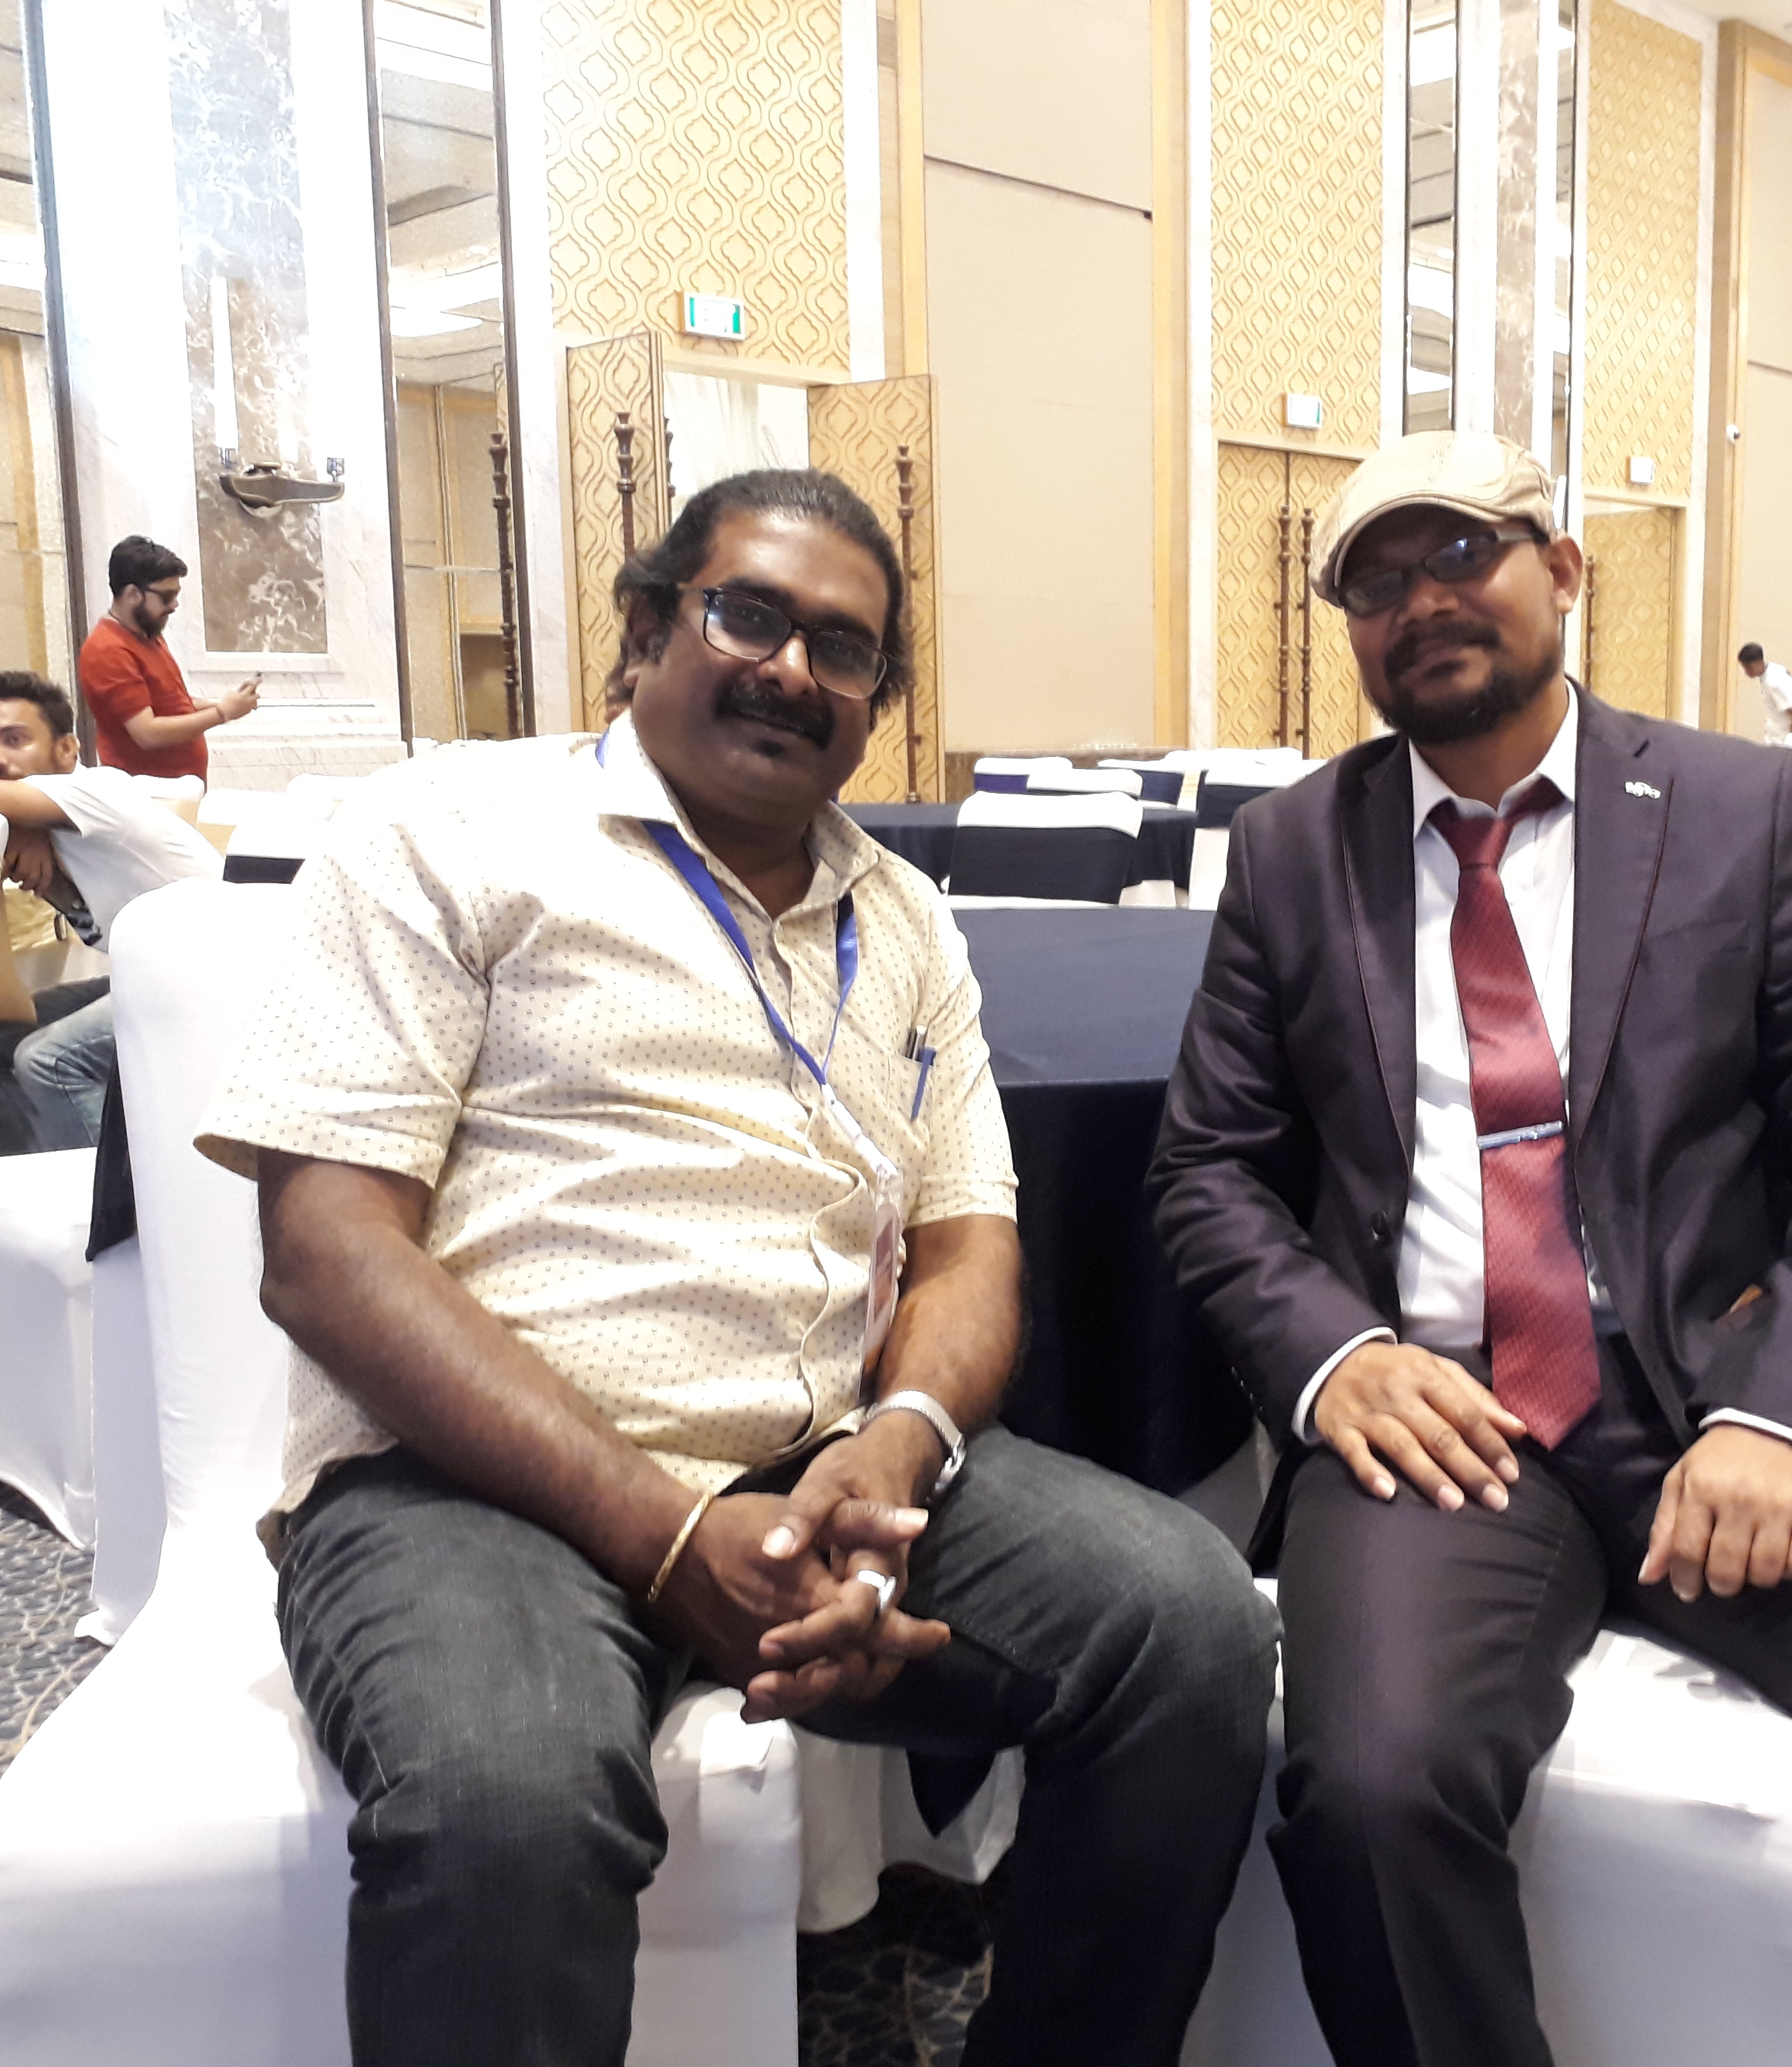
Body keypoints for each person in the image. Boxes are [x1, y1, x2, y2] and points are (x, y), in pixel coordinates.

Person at [194, 467, 1277, 2067]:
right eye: (747, 615)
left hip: (820, 1472)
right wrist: (669, 1533)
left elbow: (972, 1246)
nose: (790, 669)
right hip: (472, 1485)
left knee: (1189, 1632)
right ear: (646, 627)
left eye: (841, 649)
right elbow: (325, 1253)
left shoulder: (904, 921)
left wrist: (892, 1447)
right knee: (508, 1802)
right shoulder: (451, 829)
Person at [1150, 429, 1792, 2067]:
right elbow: (1208, 1171)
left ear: (1563, 570)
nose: (1421, 602)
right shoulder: (1291, 853)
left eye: (1461, 554)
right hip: (1448, 1425)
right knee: (1373, 1794)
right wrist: (1336, 1359)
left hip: (1731, 1390)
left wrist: (1787, 1416)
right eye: (1375, 582)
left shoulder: (1737, 807)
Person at [0, 670, 222, 1151]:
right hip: (150, 975)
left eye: (15, 740)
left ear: (67, 750)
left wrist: (13, 813)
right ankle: (30, 1166)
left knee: (49, 1060)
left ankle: (100, 1194)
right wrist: (19, 820)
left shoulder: (97, 793)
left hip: (215, 976)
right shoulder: (45, 811)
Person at [77, 535, 259, 780]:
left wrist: (229, 703)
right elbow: (147, 733)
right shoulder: (108, 649)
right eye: (166, 596)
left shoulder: (147, 633)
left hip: (176, 788)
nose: (174, 605)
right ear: (132, 594)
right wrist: (222, 713)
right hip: (147, 793)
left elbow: (170, 703)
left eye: (176, 595)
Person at [1737, 639, 1792, 741]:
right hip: (1774, 733)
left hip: (1781, 738)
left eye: (1749, 668)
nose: (1746, 672)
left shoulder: (1773, 683)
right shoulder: (1774, 669)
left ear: (1759, 663)